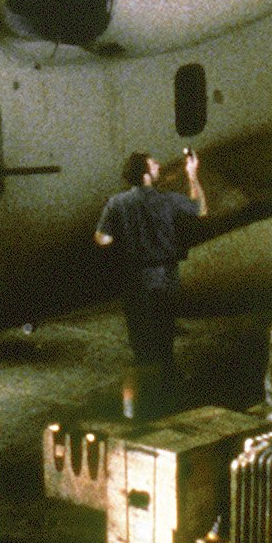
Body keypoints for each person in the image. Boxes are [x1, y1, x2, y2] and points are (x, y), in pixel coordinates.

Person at [93, 147, 206, 416]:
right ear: (145, 174)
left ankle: (141, 403)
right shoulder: (166, 200)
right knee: (163, 340)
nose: (159, 168)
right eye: (154, 166)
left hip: (133, 279)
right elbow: (200, 209)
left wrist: (126, 237)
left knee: (141, 343)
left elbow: (102, 238)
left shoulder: (117, 203)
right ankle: (166, 401)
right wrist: (193, 175)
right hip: (164, 277)